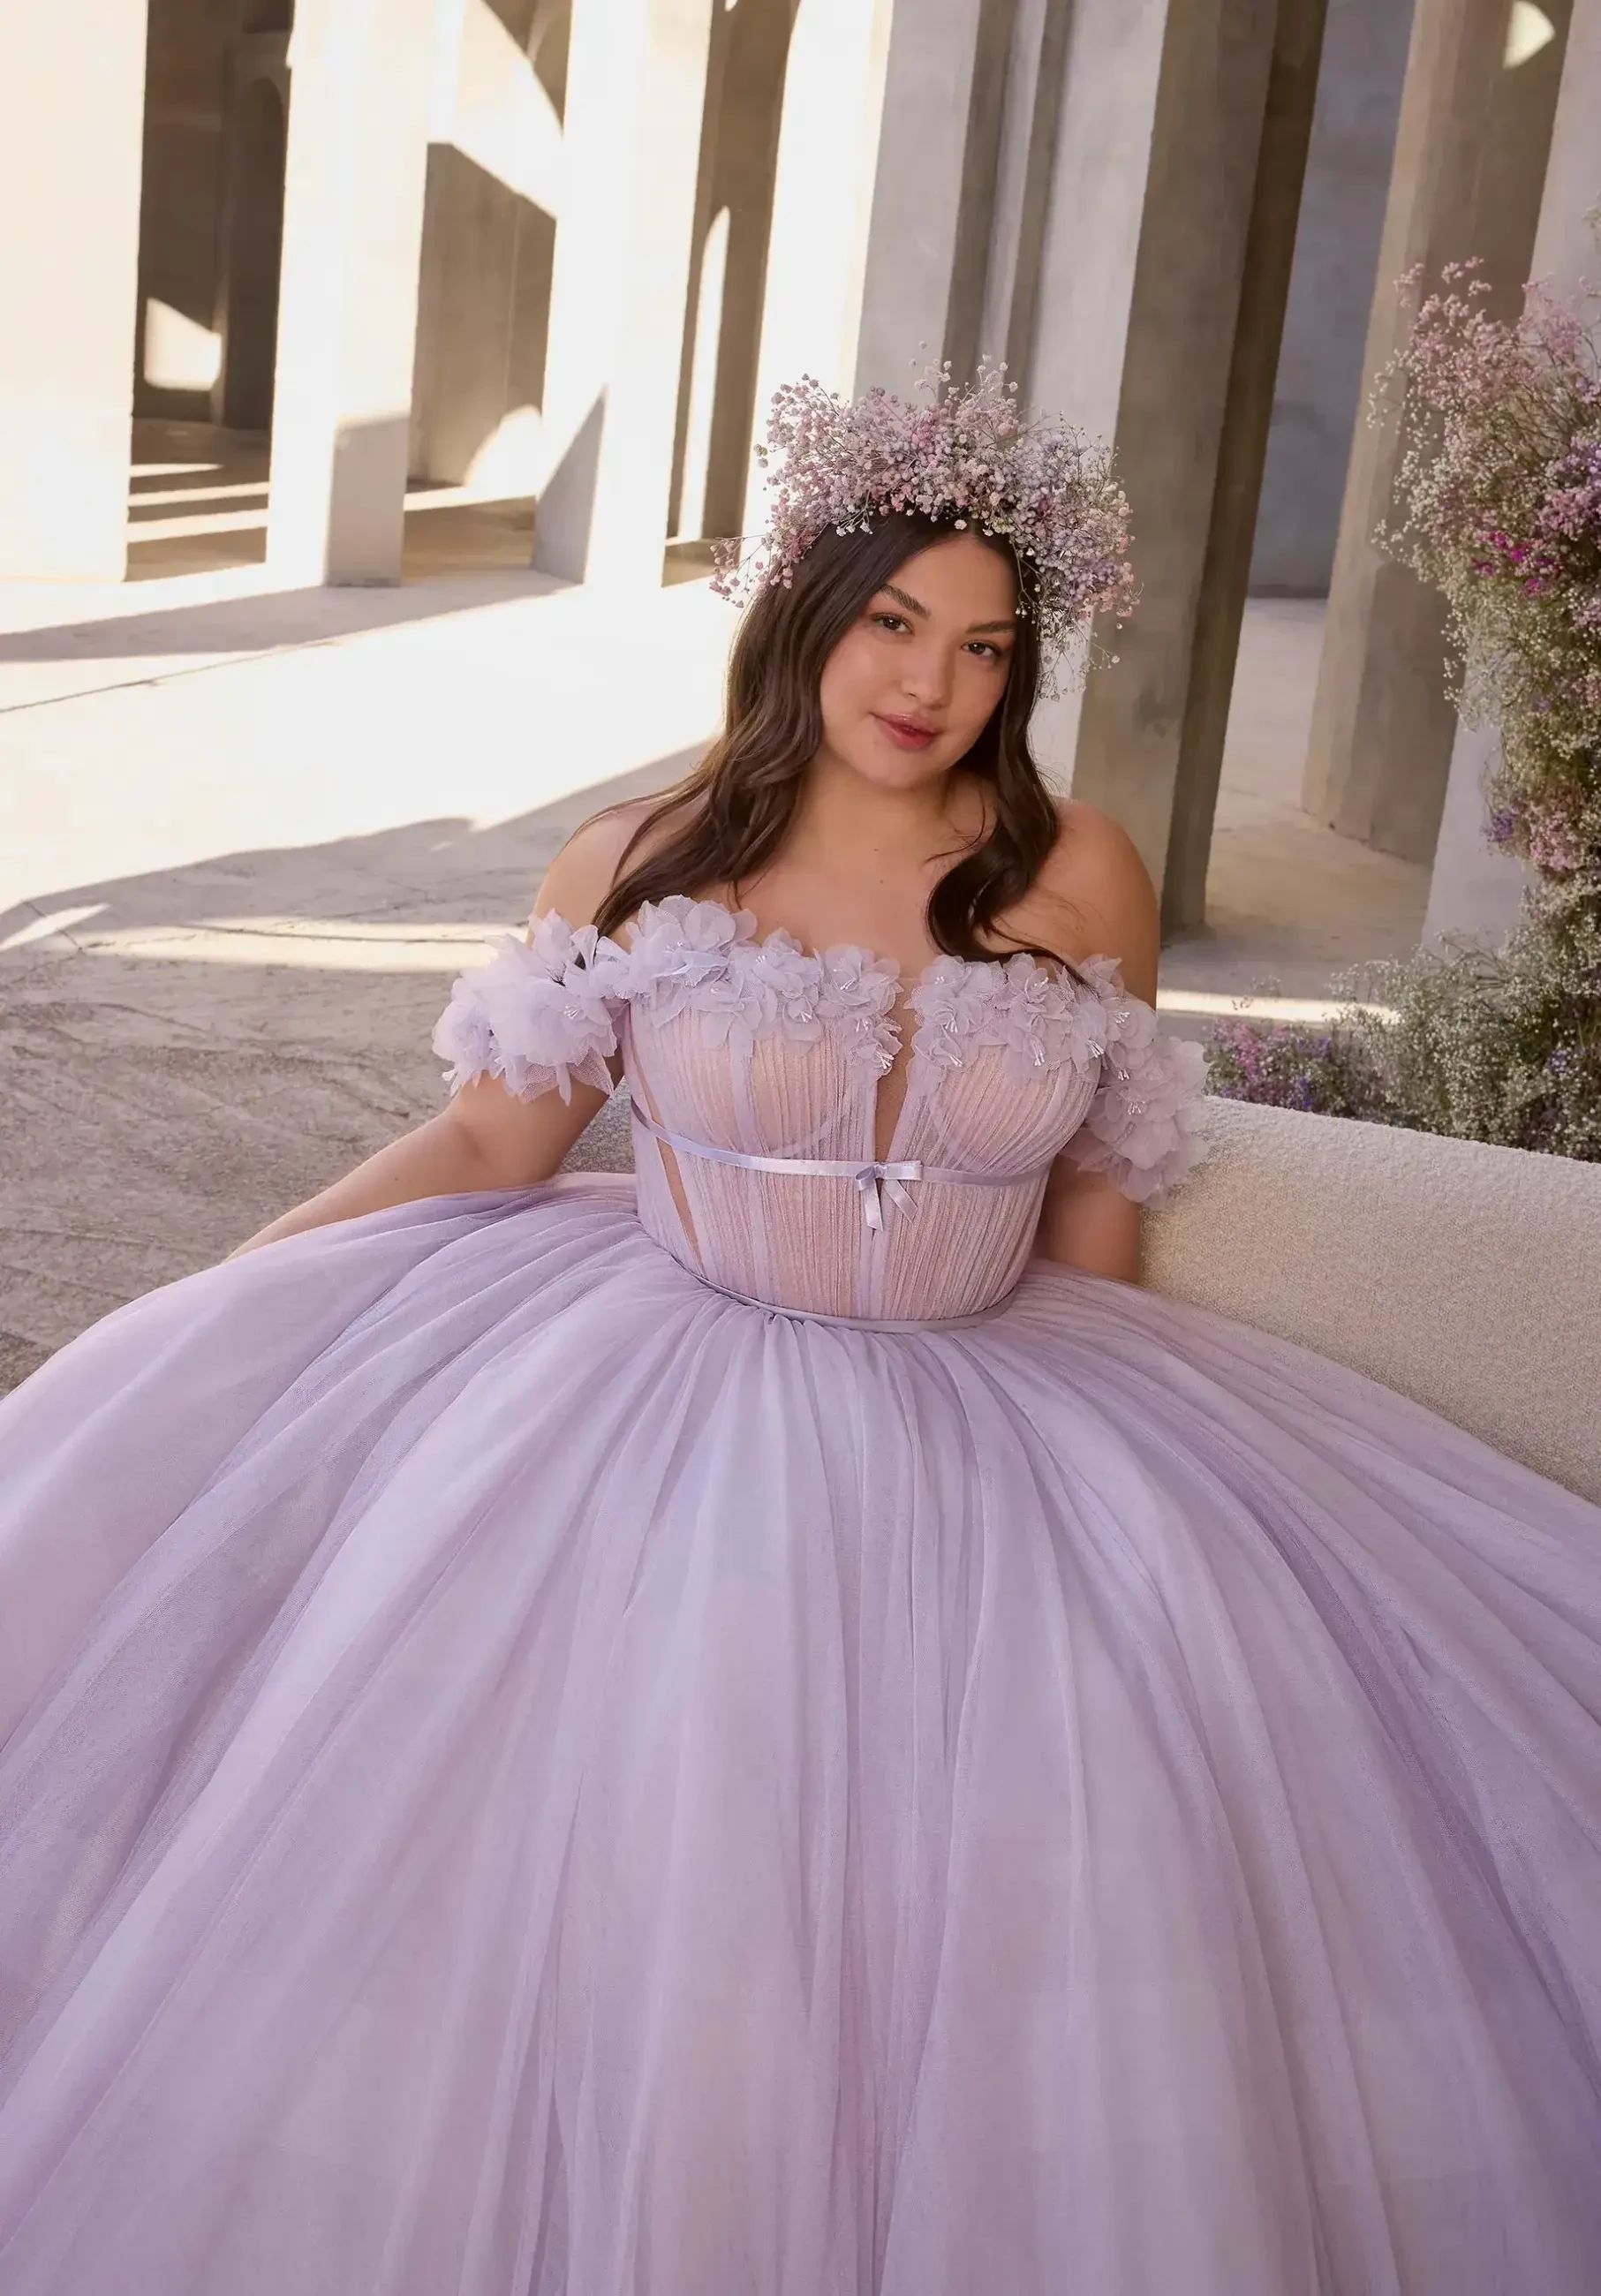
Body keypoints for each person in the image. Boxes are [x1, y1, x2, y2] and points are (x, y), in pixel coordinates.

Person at [0, 368, 1597, 2296]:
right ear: (811, 618)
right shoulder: (644, 852)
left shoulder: (1076, 873)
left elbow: (1096, 1203)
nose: (929, 682)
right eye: (894, 622)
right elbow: (499, 1133)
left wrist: (1100, 1488)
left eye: (987, 646)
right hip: (651, 1387)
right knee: (648, 1867)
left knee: (1078, 1862)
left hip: (1022, 1392)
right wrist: (244, 1275)